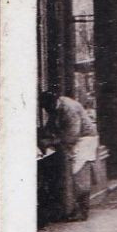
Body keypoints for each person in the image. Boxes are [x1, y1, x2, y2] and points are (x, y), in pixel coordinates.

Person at [40, 89, 96, 222]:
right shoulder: (56, 107)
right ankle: (71, 209)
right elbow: (52, 126)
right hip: (75, 141)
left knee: (79, 174)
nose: (47, 111)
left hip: (85, 139)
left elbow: (72, 135)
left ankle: (82, 212)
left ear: (54, 102)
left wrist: (51, 141)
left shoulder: (68, 108)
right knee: (72, 174)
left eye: (48, 108)